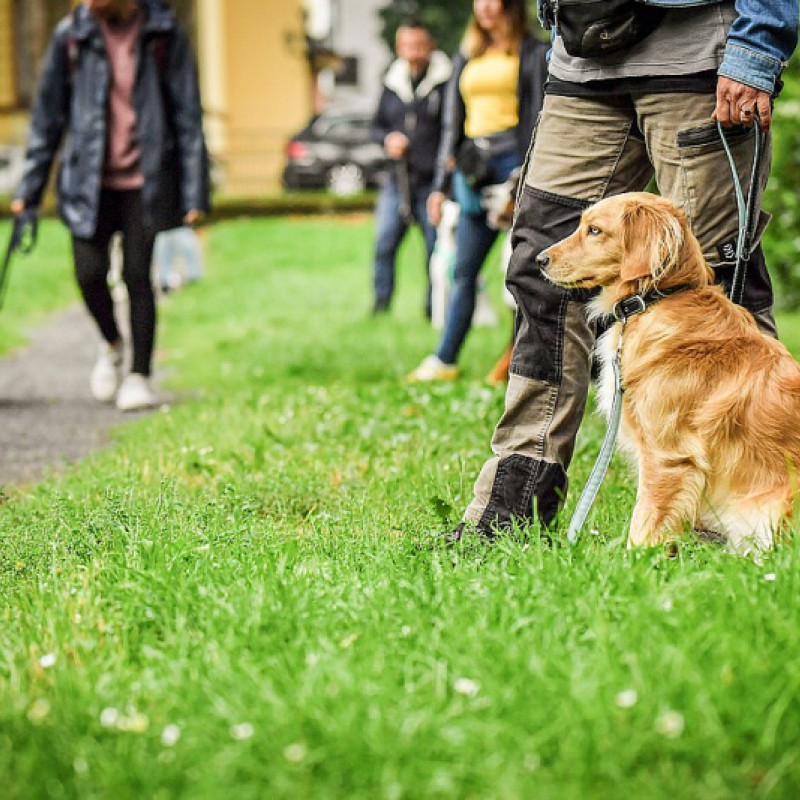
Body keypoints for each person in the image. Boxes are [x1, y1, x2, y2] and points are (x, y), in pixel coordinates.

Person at [445, 0, 798, 540]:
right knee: (545, 270)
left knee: (717, 279)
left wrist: (756, 48)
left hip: (699, 52)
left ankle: (733, 519)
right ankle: (513, 505)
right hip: (582, 59)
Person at [11, 0, 209, 411]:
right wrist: (29, 188)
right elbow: (47, 118)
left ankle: (139, 376)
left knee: (139, 276)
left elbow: (188, 114)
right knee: (88, 275)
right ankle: (111, 342)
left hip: (145, 179)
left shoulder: (164, 33)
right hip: (89, 180)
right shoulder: (71, 36)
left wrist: (194, 190)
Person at [407, 0, 548, 382]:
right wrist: (440, 184)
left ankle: (515, 359)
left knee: (520, 270)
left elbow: (541, 114)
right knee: (463, 270)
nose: (484, 7)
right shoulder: (467, 54)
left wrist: (530, 175)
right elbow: (451, 123)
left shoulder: (534, 53)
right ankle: (445, 358)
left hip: (515, 165)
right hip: (473, 167)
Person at [370, 20, 452, 317]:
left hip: (431, 183)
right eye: (407, 46)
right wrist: (387, 139)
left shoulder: (446, 81)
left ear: (429, 46)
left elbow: (452, 127)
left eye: (418, 46)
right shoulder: (392, 82)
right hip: (397, 181)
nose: (413, 53)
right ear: (398, 48)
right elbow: (376, 126)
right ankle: (380, 306)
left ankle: (433, 310)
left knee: (433, 250)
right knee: (383, 245)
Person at [155, 225, 205, 294]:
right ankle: (165, 281)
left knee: (187, 245)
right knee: (164, 248)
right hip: (162, 224)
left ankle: (194, 276)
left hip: (180, 222)